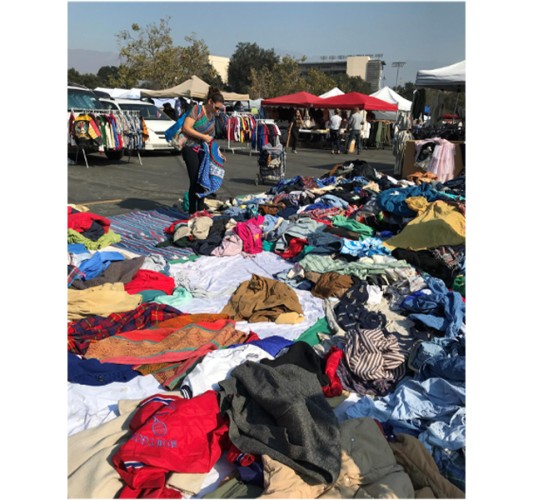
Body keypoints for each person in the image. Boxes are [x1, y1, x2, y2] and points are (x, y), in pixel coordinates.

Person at [181, 86, 226, 215]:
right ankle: (192, 211)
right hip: (190, 148)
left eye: (220, 109)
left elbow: (210, 138)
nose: (218, 111)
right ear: (210, 102)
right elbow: (186, 128)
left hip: (204, 151)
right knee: (195, 180)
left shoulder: (212, 116)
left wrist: (218, 153)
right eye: (217, 107)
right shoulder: (197, 110)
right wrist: (202, 137)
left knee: (203, 179)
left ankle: (200, 209)